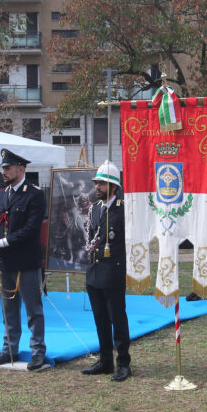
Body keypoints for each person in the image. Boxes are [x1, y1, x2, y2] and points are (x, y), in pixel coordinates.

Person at [0, 148, 48, 371]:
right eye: (3, 168)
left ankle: (38, 351)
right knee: (8, 309)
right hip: (6, 261)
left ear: (21, 169)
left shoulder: (34, 194)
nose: (4, 171)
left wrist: (5, 242)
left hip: (26, 261)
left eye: (8, 168)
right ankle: (9, 349)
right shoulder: (3, 194)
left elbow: (32, 229)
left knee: (33, 310)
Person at [81, 161, 132, 382]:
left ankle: (123, 362)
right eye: (96, 183)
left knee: (117, 319)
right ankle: (105, 360)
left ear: (113, 186)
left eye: (101, 183)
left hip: (113, 271)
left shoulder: (123, 208)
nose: (97, 187)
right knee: (100, 319)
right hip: (94, 270)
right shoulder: (94, 209)